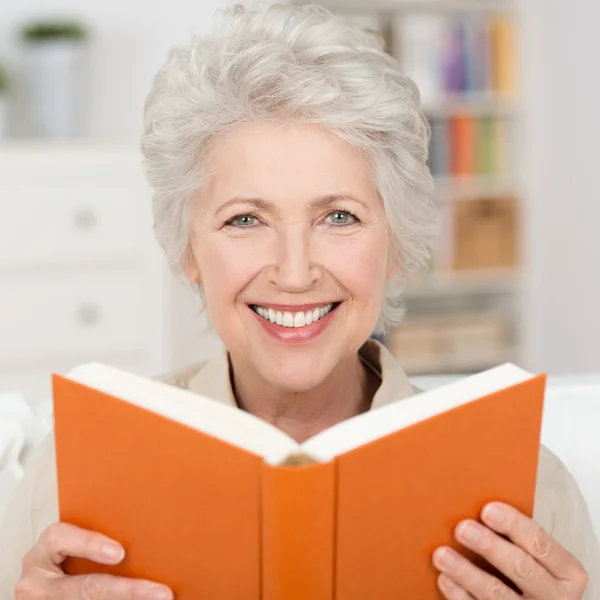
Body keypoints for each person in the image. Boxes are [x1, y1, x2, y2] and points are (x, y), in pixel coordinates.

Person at [1, 4, 598, 599]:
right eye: (245, 219)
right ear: (188, 250)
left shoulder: (529, 489)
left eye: (339, 217)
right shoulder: (70, 477)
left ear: (396, 244)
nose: (294, 272)